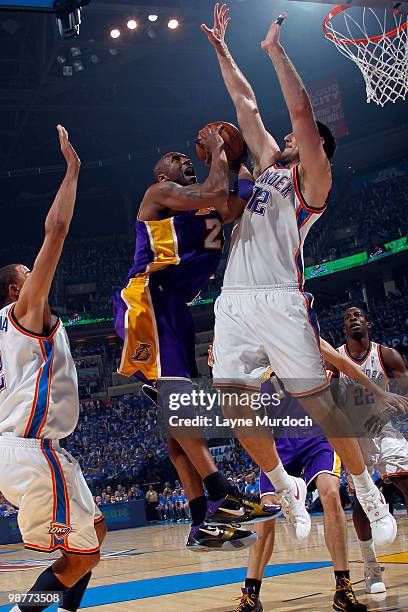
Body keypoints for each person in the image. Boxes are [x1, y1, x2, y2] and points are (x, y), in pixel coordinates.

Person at [202, 4, 397, 546]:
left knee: (320, 402)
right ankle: (283, 487)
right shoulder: (268, 170)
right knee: (236, 404)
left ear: (319, 155)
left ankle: (366, 488)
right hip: (233, 301)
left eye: (296, 138)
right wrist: (222, 49)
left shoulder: (312, 182)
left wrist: (275, 51)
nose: (285, 136)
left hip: (280, 299)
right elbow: (246, 105)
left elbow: (303, 115)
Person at [113, 126, 276, 552]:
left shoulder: (207, 204)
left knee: (178, 426)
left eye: (186, 157)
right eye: (174, 156)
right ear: (160, 171)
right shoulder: (160, 193)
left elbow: (235, 202)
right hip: (147, 298)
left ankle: (201, 520)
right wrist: (221, 150)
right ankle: (221, 490)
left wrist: (238, 158)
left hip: (175, 310)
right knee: (179, 403)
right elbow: (215, 191)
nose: (184, 158)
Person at [0, 126, 107, 612]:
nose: (35, 276)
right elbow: (56, 231)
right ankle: (22, 610)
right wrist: (73, 171)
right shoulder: (24, 313)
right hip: (32, 452)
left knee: (95, 532)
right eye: (27, 275)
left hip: (24, 452)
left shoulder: (5, 328)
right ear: (13, 291)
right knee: (81, 556)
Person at [338, 306, 408, 594]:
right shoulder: (336, 359)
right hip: (355, 437)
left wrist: (385, 412)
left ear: (369, 321)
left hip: (388, 430)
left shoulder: (387, 355)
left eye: (358, 315)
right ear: (344, 328)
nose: (353, 319)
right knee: (362, 504)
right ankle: (371, 566)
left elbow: (405, 395)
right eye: (348, 317)